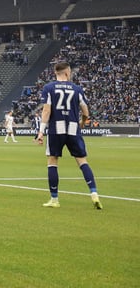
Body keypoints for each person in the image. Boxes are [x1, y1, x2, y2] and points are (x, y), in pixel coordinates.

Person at [36, 62, 101, 209]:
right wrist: (82, 122)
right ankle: (94, 194)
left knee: (52, 161)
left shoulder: (49, 88)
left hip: (55, 129)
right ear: (67, 72)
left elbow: (46, 111)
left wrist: (41, 132)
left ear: (56, 73)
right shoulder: (77, 89)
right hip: (73, 128)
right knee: (82, 162)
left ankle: (54, 199)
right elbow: (86, 112)